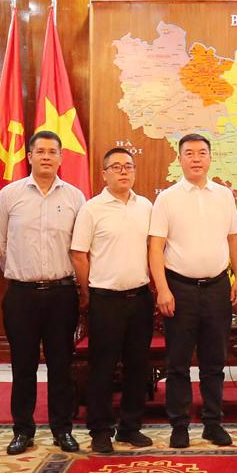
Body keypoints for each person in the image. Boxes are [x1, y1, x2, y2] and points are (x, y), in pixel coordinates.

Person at [0, 130, 86, 455]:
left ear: (61, 157)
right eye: (40, 151)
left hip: (62, 293)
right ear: (29, 156)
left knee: (62, 365)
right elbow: (0, 245)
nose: (46, 157)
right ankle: (23, 430)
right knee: (23, 365)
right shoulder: (8, 196)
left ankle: (63, 430)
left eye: (52, 152)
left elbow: (80, 247)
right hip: (22, 295)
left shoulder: (76, 198)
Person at [148, 133, 237, 449]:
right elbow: (156, 246)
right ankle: (179, 426)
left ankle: (213, 423)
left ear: (210, 158)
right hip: (179, 289)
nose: (196, 158)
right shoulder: (167, 198)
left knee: (214, 362)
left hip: (217, 287)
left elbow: (233, 239)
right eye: (189, 153)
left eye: (202, 152)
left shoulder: (224, 196)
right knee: (178, 363)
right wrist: (162, 289)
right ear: (180, 159)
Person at [71, 148, 154, 453]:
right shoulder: (92, 209)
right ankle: (100, 430)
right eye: (116, 167)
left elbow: (153, 248)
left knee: (137, 366)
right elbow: (79, 254)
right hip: (105, 300)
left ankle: (130, 428)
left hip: (140, 298)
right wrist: (88, 292)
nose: (123, 172)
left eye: (128, 166)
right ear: (104, 173)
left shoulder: (146, 206)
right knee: (102, 368)